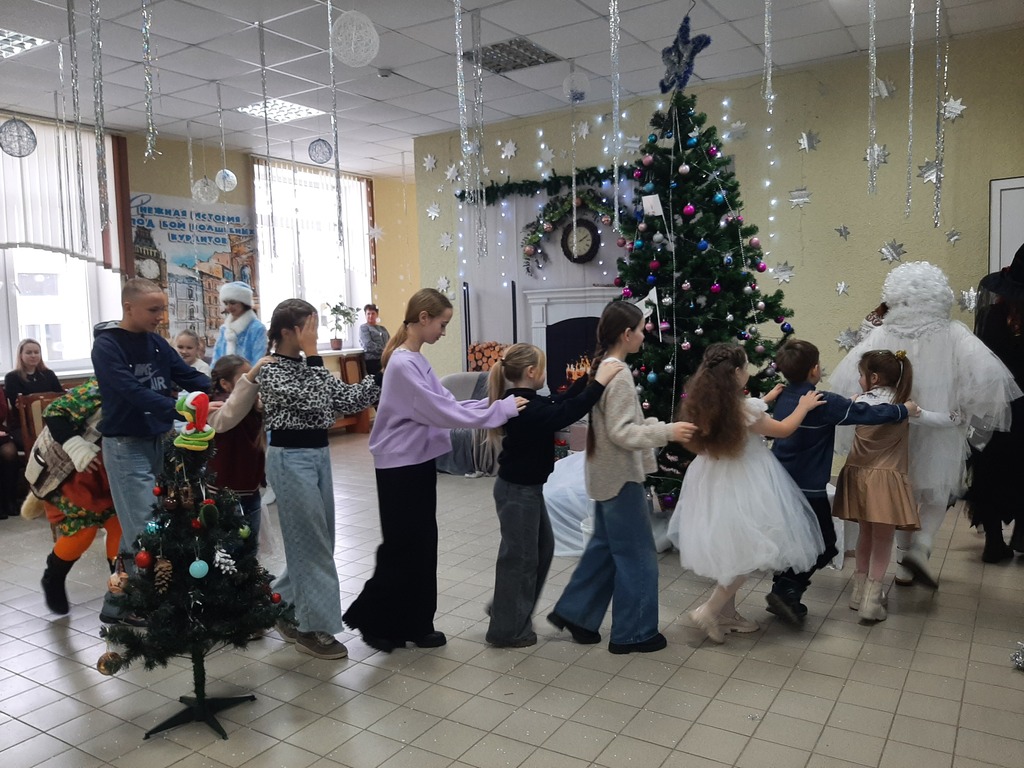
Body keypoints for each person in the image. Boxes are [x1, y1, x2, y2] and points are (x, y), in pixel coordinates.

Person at [343, 288, 524, 653]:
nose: (443, 331)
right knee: (402, 546)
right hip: (399, 466)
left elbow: (446, 402)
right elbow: (441, 412)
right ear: (423, 318)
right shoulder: (402, 364)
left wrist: (491, 403)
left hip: (417, 461)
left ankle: (417, 623)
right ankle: (373, 621)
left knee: (423, 544)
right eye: (442, 324)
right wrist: (498, 412)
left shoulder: (415, 359)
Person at [830, 262, 1021, 588]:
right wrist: (964, 405)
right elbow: (989, 376)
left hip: (892, 431)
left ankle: (903, 563)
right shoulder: (953, 332)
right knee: (934, 495)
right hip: (938, 428)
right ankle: (921, 548)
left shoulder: (882, 332)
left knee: (902, 493)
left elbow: (850, 374)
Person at [548, 301, 695, 655]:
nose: (645, 335)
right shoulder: (620, 374)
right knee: (637, 556)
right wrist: (669, 432)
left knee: (603, 548)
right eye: (642, 330)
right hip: (619, 478)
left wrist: (659, 426)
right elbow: (622, 433)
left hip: (605, 474)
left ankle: (577, 614)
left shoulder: (604, 367)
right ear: (626, 334)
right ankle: (634, 632)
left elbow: (620, 426)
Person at [668, 343, 826, 644]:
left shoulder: (707, 403)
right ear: (737, 373)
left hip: (714, 480)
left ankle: (727, 614)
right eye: (746, 366)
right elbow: (782, 429)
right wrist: (803, 407)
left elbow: (741, 416)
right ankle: (709, 610)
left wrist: (766, 399)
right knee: (749, 553)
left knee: (732, 548)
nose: (749, 371)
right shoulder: (744, 410)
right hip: (745, 482)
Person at [258, 299, 380, 660]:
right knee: (312, 546)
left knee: (318, 541)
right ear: (287, 332)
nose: (315, 335)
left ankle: (279, 605)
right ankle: (312, 628)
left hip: (318, 456)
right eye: (308, 328)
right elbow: (315, 401)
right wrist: (314, 356)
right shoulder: (270, 370)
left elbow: (347, 399)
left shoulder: (308, 367)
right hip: (290, 459)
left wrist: (383, 372)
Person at [484, 342, 622, 648]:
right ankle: (507, 630)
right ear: (532, 372)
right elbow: (563, 413)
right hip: (517, 493)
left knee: (541, 550)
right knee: (520, 559)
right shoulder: (522, 407)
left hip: (526, 490)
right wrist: (598, 385)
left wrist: (585, 381)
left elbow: (556, 402)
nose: (546, 373)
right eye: (544, 368)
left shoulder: (526, 400)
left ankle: (506, 610)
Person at [765, 338, 910, 624]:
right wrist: (904, 410)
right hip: (808, 488)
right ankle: (786, 590)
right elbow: (868, 414)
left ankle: (783, 589)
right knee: (825, 544)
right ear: (814, 370)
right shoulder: (823, 401)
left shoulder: (782, 395)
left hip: (780, 482)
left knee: (794, 539)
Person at [92, 278, 211, 625]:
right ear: (128, 307)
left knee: (146, 523)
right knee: (145, 526)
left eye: (163, 309)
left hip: (158, 441)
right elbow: (130, 391)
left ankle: (117, 603)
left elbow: (188, 376)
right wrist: (179, 409)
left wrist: (226, 387)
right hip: (125, 445)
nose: (160, 316)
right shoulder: (107, 346)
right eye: (153, 310)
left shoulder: (157, 343)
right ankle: (137, 603)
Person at [832, 350, 957, 621]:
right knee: (883, 538)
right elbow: (941, 420)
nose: (859, 380)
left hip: (857, 477)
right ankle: (872, 600)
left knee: (865, 534)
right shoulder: (904, 406)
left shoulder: (860, 402)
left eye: (861, 375)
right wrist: (958, 417)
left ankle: (858, 592)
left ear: (874, 378)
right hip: (886, 481)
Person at [21, 378, 122, 615]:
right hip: (73, 476)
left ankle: (120, 589)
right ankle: (53, 576)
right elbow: (54, 413)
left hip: (114, 475)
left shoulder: (152, 387)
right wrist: (77, 447)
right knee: (82, 533)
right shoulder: (96, 388)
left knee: (120, 529)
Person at [966, 243, 1024, 561]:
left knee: (989, 468)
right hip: (1021, 408)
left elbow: (980, 359)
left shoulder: (992, 316)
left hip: (992, 404)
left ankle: (994, 541)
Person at [206, 354, 274, 548]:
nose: (251, 382)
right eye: (244, 377)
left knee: (250, 546)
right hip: (224, 492)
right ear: (225, 384)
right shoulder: (216, 406)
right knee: (230, 548)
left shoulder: (254, 405)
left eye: (251, 377)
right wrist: (251, 375)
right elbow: (231, 412)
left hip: (250, 489)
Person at [4, 338, 64, 449]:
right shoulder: (12, 377)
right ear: (20, 355)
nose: (33, 355)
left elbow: (60, 397)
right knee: (40, 446)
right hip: (24, 425)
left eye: (36, 352)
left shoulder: (49, 374)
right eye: (29, 352)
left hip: (50, 422)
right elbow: (17, 404)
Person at [212, 281, 267, 366]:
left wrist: (248, 374)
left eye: (233, 303)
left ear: (244, 303)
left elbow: (258, 360)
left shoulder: (257, 328)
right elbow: (216, 358)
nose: (229, 307)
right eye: (226, 303)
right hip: (223, 374)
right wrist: (214, 373)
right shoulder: (224, 329)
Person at [359, 303, 390, 376]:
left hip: (386, 359)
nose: (370, 316)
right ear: (365, 315)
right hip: (373, 360)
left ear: (377, 315)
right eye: (368, 314)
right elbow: (368, 345)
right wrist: (384, 351)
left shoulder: (383, 329)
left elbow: (390, 342)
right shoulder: (364, 328)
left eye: (373, 313)